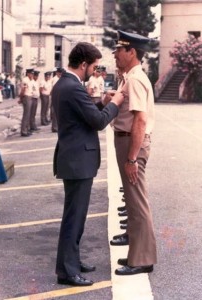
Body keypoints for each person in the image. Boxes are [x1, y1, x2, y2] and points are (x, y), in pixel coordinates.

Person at [52, 42, 124, 287]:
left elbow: (85, 116)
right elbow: (97, 122)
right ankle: (67, 271)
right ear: (83, 64)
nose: (94, 70)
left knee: (76, 215)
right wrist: (116, 102)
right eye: (93, 66)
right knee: (74, 216)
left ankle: (71, 260)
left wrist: (103, 101)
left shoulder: (65, 84)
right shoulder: (73, 87)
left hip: (74, 158)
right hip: (77, 160)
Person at [110, 30, 157, 276]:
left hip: (132, 143)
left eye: (120, 49)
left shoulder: (136, 79)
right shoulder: (130, 76)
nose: (115, 54)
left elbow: (140, 120)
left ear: (132, 52)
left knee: (137, 202)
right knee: (132, 198)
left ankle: (142, 259)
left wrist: (131, 158)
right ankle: (137, 253)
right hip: (127, 141)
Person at [19, 68, 34, 137]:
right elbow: (23, 90)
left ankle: (27, 129)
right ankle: (23, 131)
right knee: (26, 115)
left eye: (32, 73)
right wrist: (21, 98)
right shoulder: (25, 80)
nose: (32, 75)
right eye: (31, 73)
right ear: (28, 73)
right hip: (26, 97)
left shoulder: (30, 80)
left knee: (28, 114)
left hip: (29, 97)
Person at [50, 68, 63, 132]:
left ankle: (57, 126)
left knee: (58, 112)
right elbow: (54, 89)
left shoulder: (59, 78)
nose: (60, 74)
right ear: (57, 73)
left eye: (61, 73)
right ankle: (54, 127)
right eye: (59, 73)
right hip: (55, 96)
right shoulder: (55, 79)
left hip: (59, 96)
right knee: (55, 112)